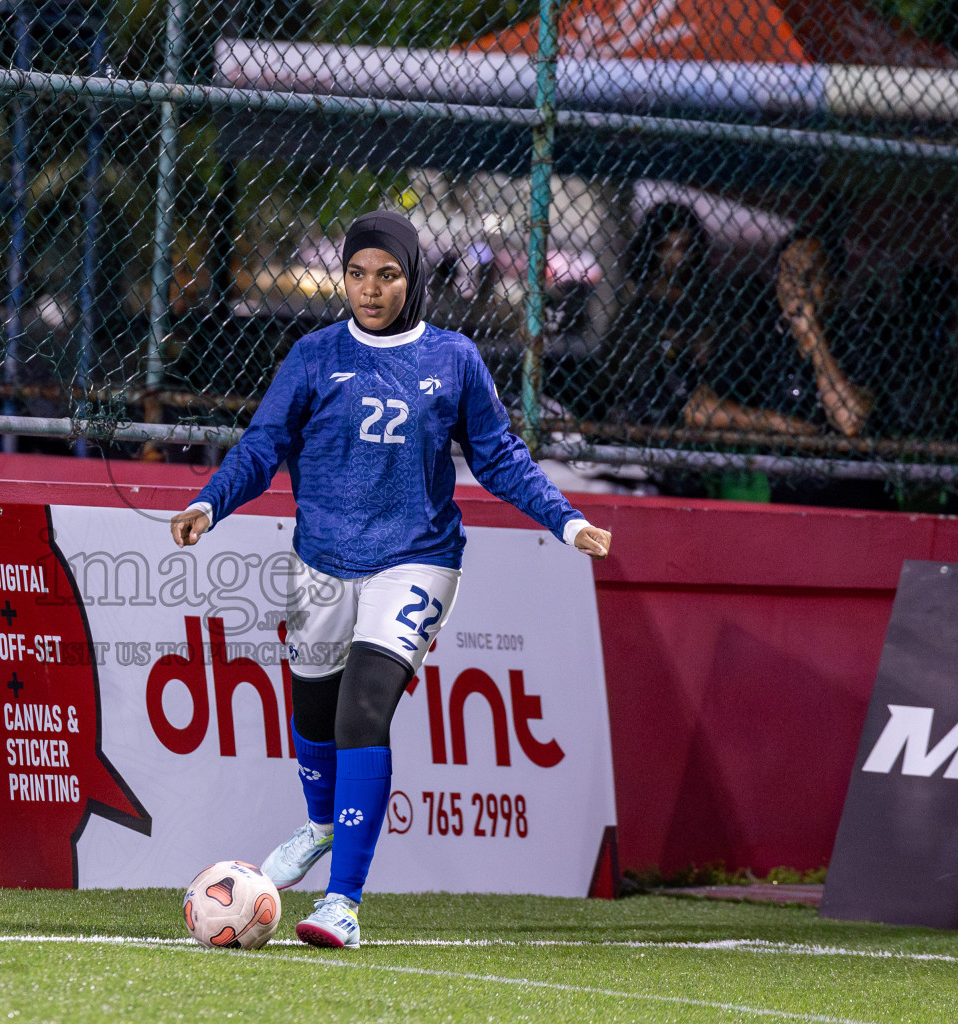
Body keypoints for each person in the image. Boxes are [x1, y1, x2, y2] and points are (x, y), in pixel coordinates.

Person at [167, 210, 612, 949]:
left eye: (388, 274)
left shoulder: (455, 358)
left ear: (412, 279)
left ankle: (342, 902)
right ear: (343, 278)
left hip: (417, 559)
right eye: (358, 274)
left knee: (362, 714)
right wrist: (209, 502)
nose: (371, 289)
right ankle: (317, 825)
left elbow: (499, 457)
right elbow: (262, 445)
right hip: (321, 561)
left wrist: (566, 521)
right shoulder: (312, 356)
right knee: (311, 717)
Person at [686, 231, 875, 438]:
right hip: (776, 462)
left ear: (835, 285)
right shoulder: (765, 335)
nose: (799, 287)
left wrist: (814, 337)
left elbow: (849, 421)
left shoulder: (856, 335)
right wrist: (774, 422)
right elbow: (697, 410)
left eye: (811, 277)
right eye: (790, 275)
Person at [588, 203, 717, 426]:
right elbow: (615, 370)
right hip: (645, 410)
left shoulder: (705, 302)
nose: (679, 258)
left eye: (686, 247)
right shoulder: (638, 309)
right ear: (653, 249)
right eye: (669, 247)